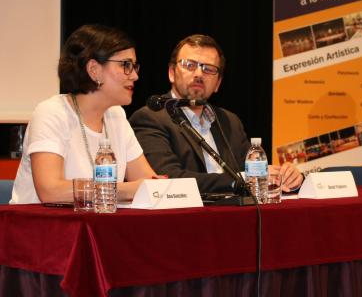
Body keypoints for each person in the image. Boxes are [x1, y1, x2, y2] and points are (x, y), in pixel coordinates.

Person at [129, 34, 303, 193]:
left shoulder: (229, 121)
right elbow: (169, 178)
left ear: (218, 83)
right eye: (189, 65)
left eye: (208, 69)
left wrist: (287, 176)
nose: (198, 74)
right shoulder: (150, 117)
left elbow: (252, 171)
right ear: (171, 73)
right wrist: (238, 181)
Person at [10, 24, 158, 204]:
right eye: (125, 65)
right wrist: (126, 190)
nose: (134, 75)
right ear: (94, 69)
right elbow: (50, 191)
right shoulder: (52, 112)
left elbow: (150, 183)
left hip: (94, 226)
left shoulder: (116, 115)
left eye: (134, 66)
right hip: (43, 228)